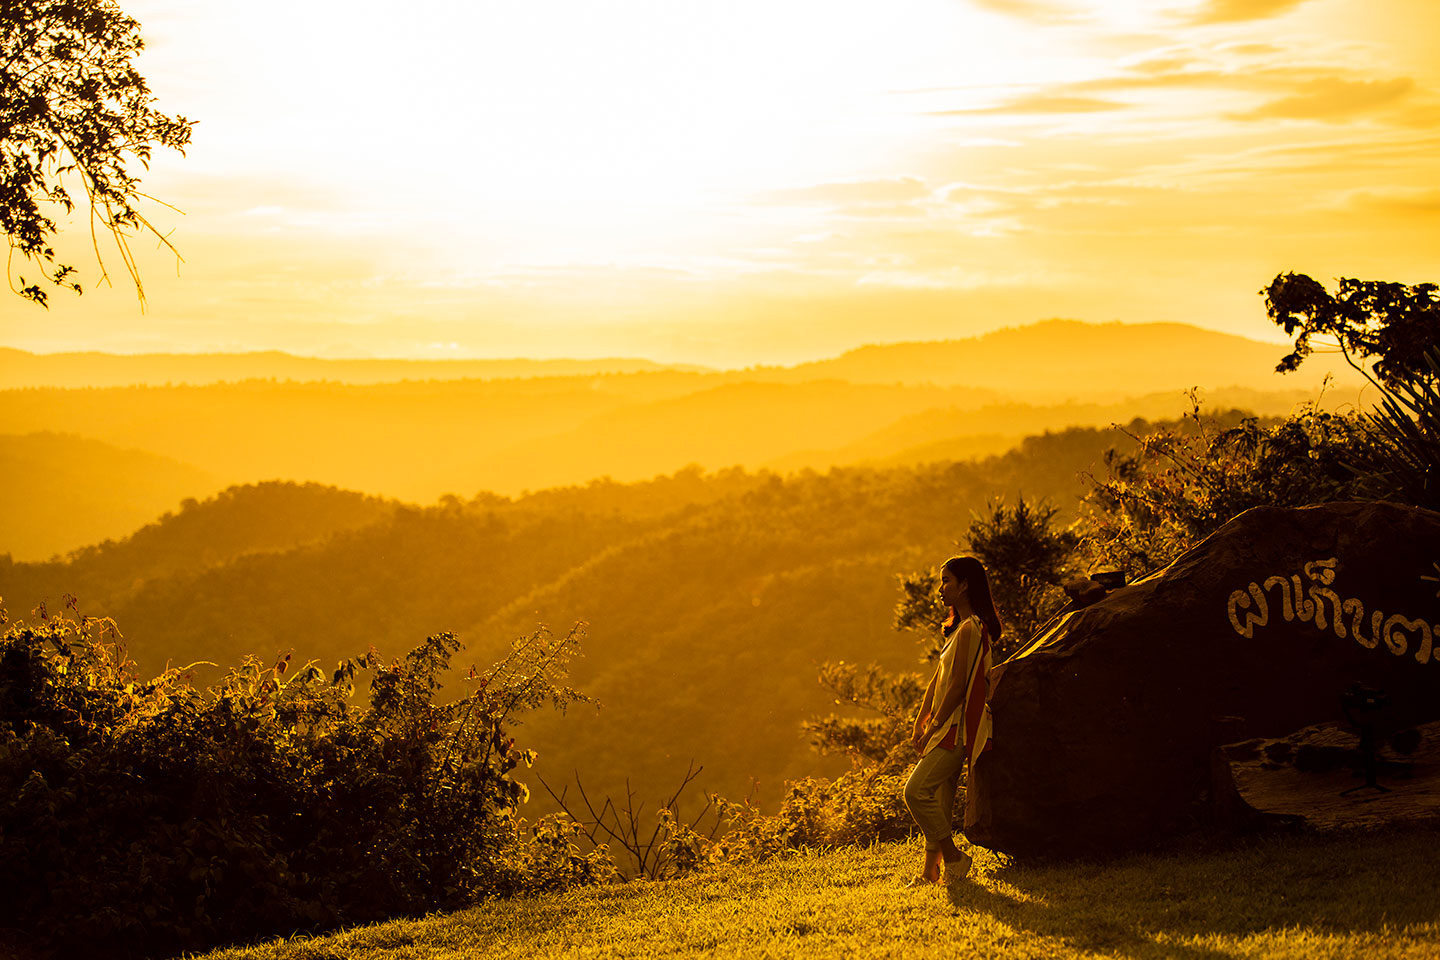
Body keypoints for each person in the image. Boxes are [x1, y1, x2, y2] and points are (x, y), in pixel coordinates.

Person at [903, 554, 1001, 886]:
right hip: (946, 726)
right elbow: (938, 679)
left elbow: (959, 685)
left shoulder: (973, 628)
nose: (941, 588)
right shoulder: (957, 629)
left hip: (957, 730)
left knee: (915, 792)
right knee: (940, 798)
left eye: (946, 580)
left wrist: (935, 723)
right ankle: (932, 873)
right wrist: (921, 717)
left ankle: (955, 858)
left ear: (964, 585)